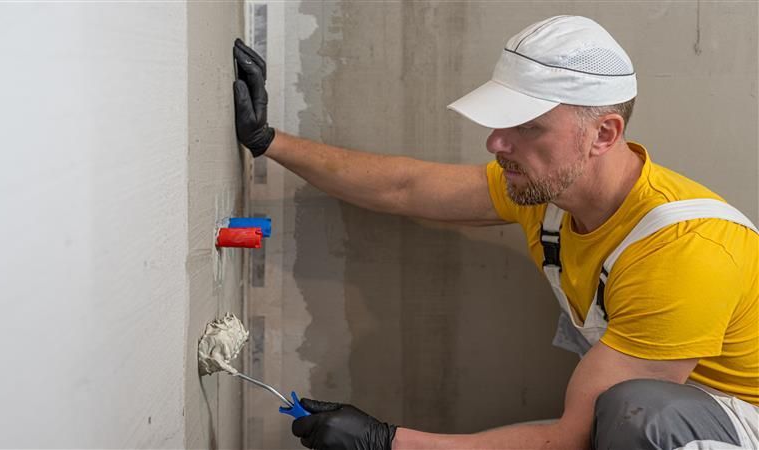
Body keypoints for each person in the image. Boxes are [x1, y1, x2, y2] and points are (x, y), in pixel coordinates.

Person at [233, 15, 759, 450]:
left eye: (526, 126)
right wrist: (267, 140)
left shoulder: (686, 252)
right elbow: (405, 187)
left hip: (733, 424)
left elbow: (572, 438)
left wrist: (385, 442)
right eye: (500, 121)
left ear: (603, 134)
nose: (495, 143)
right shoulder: (547, 192)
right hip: (673, 409)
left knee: (633, 414)